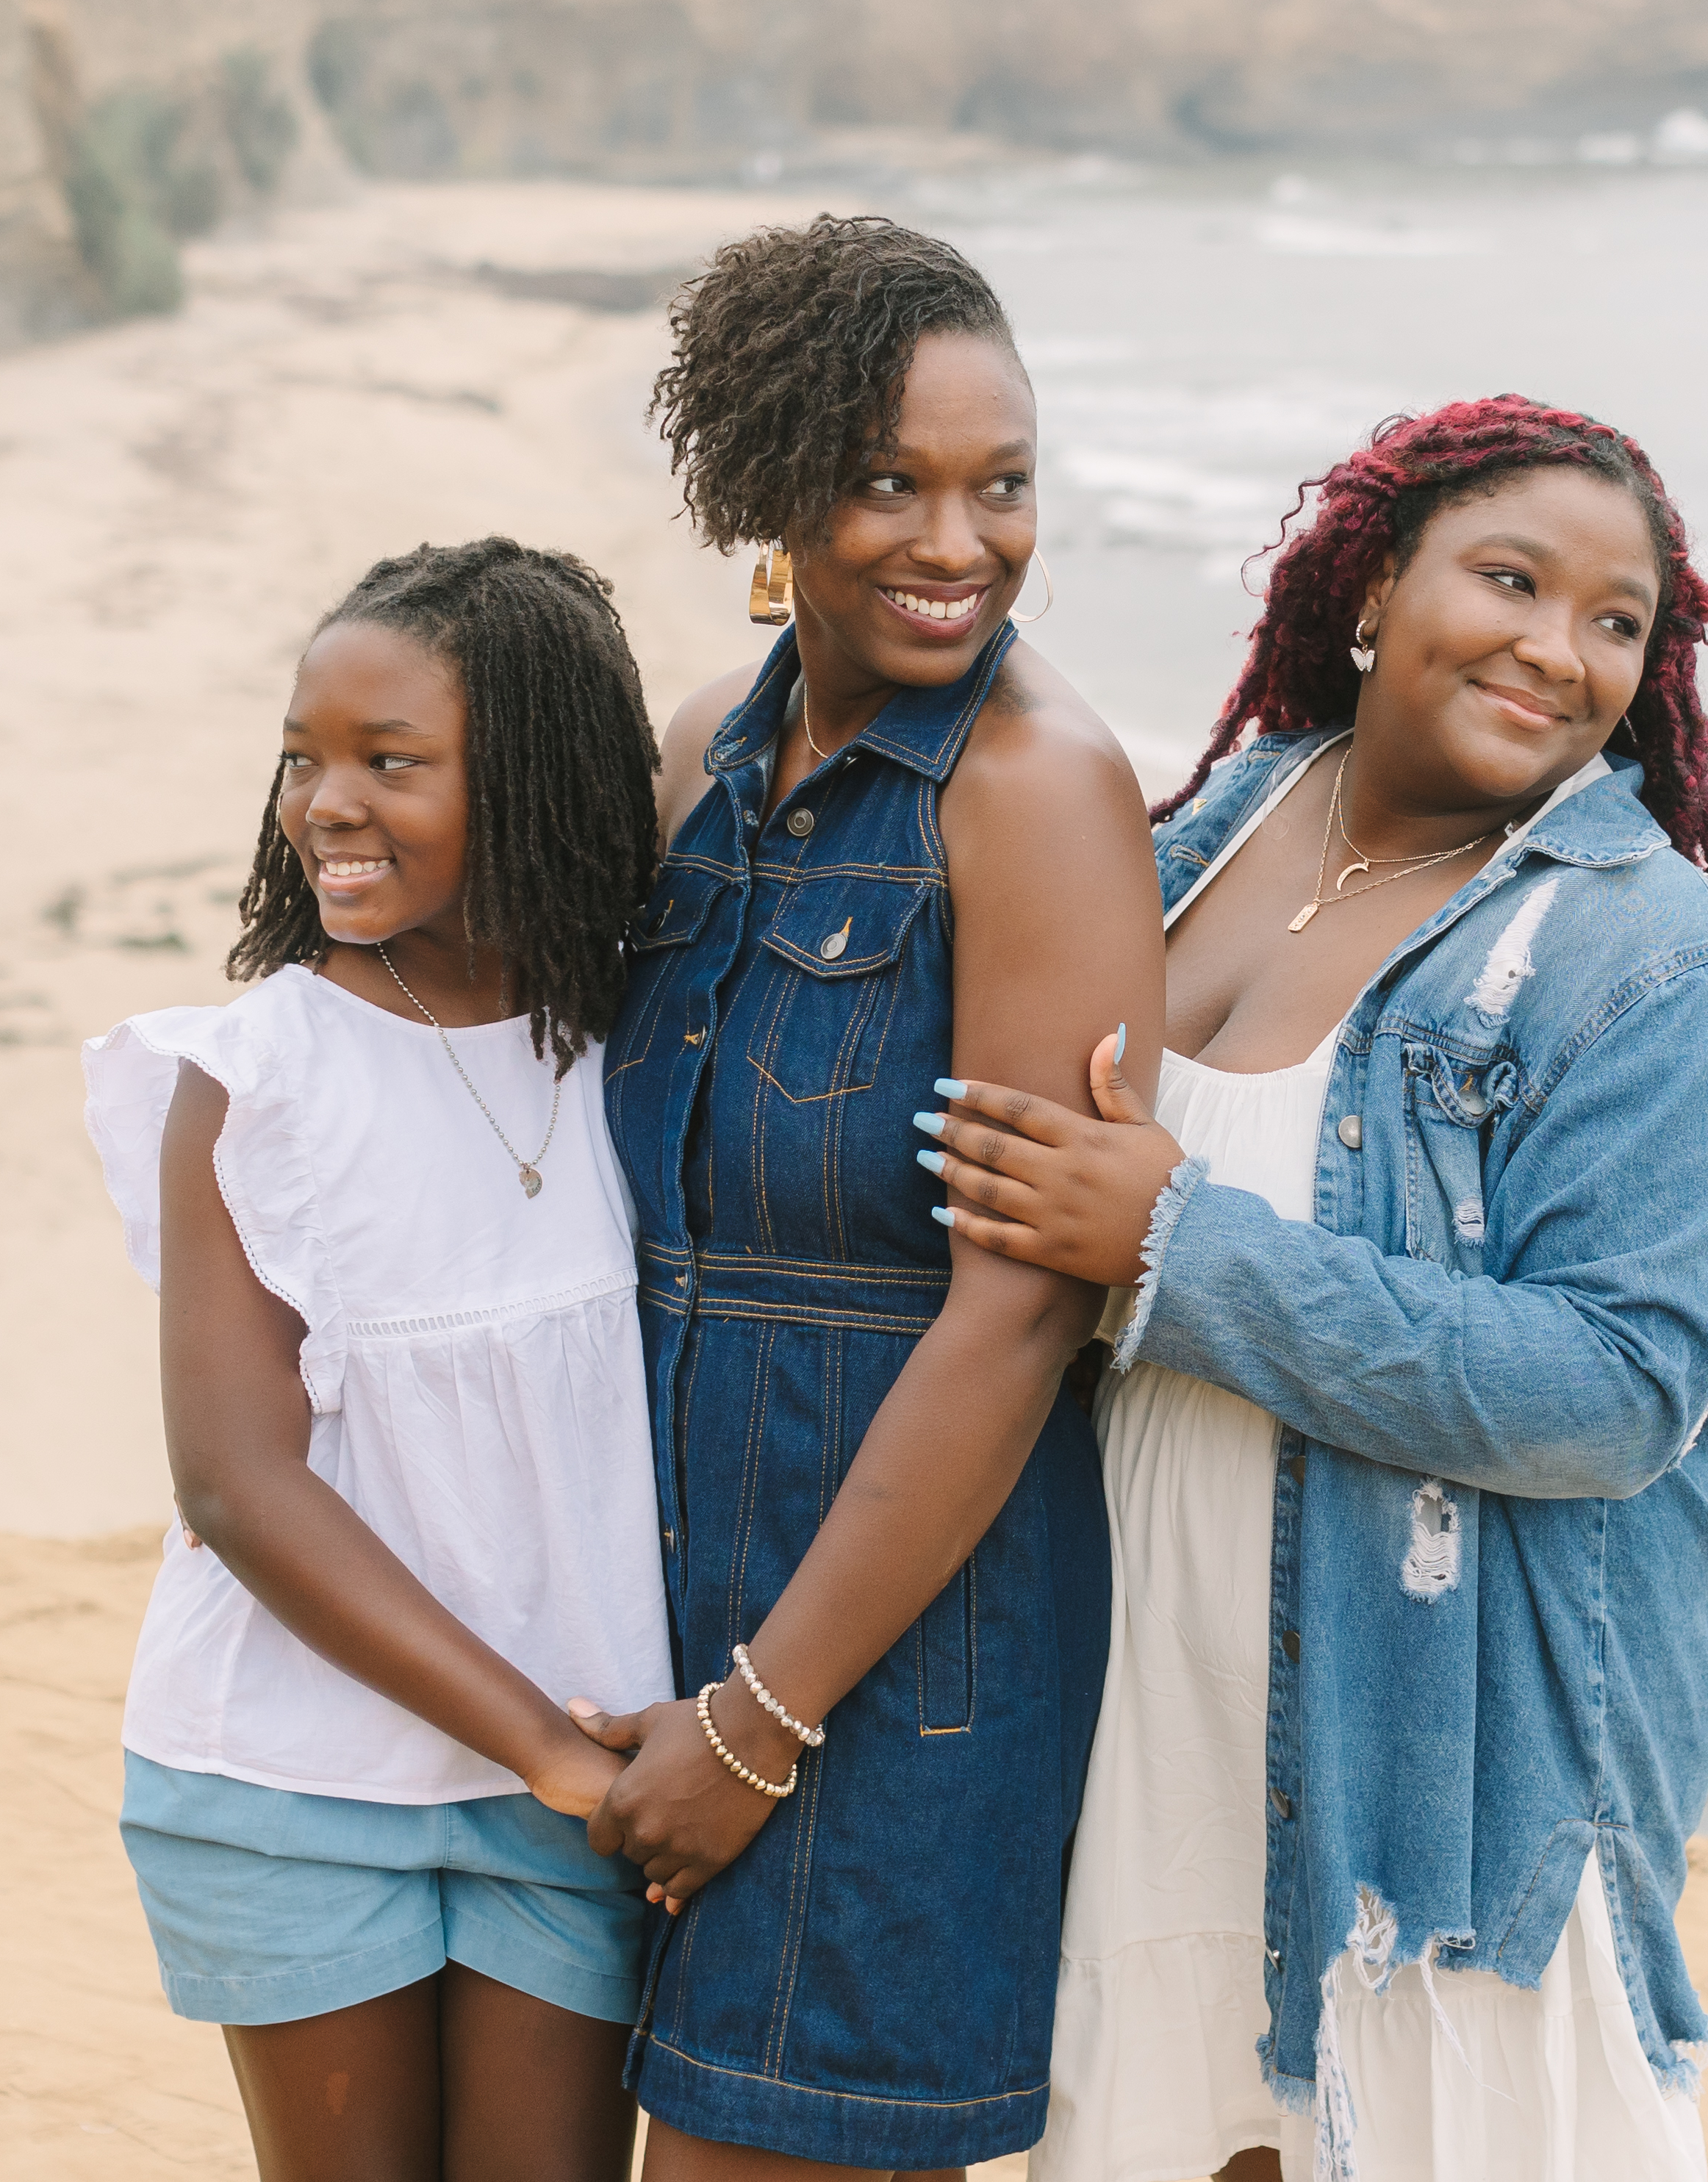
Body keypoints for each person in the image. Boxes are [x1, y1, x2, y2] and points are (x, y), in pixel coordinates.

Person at [931, 398, 1708, 2182]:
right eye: (1510, 578)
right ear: (1373, 589)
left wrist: (1177, 1248)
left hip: (1425, 1746)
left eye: (1615, 620)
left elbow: (1615, 1388)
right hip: (1131, 1689)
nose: (1557, 648)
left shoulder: (1651, 958)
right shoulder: (1234, 816)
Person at [581, 216, 1161, 2181]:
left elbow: (1019, 1309)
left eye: (1002, 486)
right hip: (652, 1602)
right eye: (888, 480)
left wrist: (763, 1716)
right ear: (768, 487)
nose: (958, 539)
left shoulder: (1036, 787)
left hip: (889, 1664)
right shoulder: (699, 759)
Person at [80, 539, 674, 2182]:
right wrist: (540, 1742)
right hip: (291, 1766)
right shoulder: (251, 1079)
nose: (327, 801)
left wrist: (569, 1760)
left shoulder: (640, 1041)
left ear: (540, 781)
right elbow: (236, 1479)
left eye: (392, 762)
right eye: (303, 757)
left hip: (578, 1781)